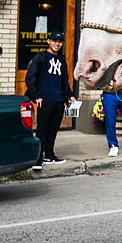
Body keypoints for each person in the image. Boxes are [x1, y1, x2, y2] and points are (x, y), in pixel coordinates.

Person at [25, 31, 76, 169]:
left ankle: (49, 155)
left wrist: (69, 95)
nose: (57, 44)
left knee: (53, 130)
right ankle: (38, 159)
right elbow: (30, 78)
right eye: (54, 41)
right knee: (42, 130)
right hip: (45, 100)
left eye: (59, 42)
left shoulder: (62, 60)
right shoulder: (40, 58)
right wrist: (36, 96)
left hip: (59, 100)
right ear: (48, 41)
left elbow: (64, 80)